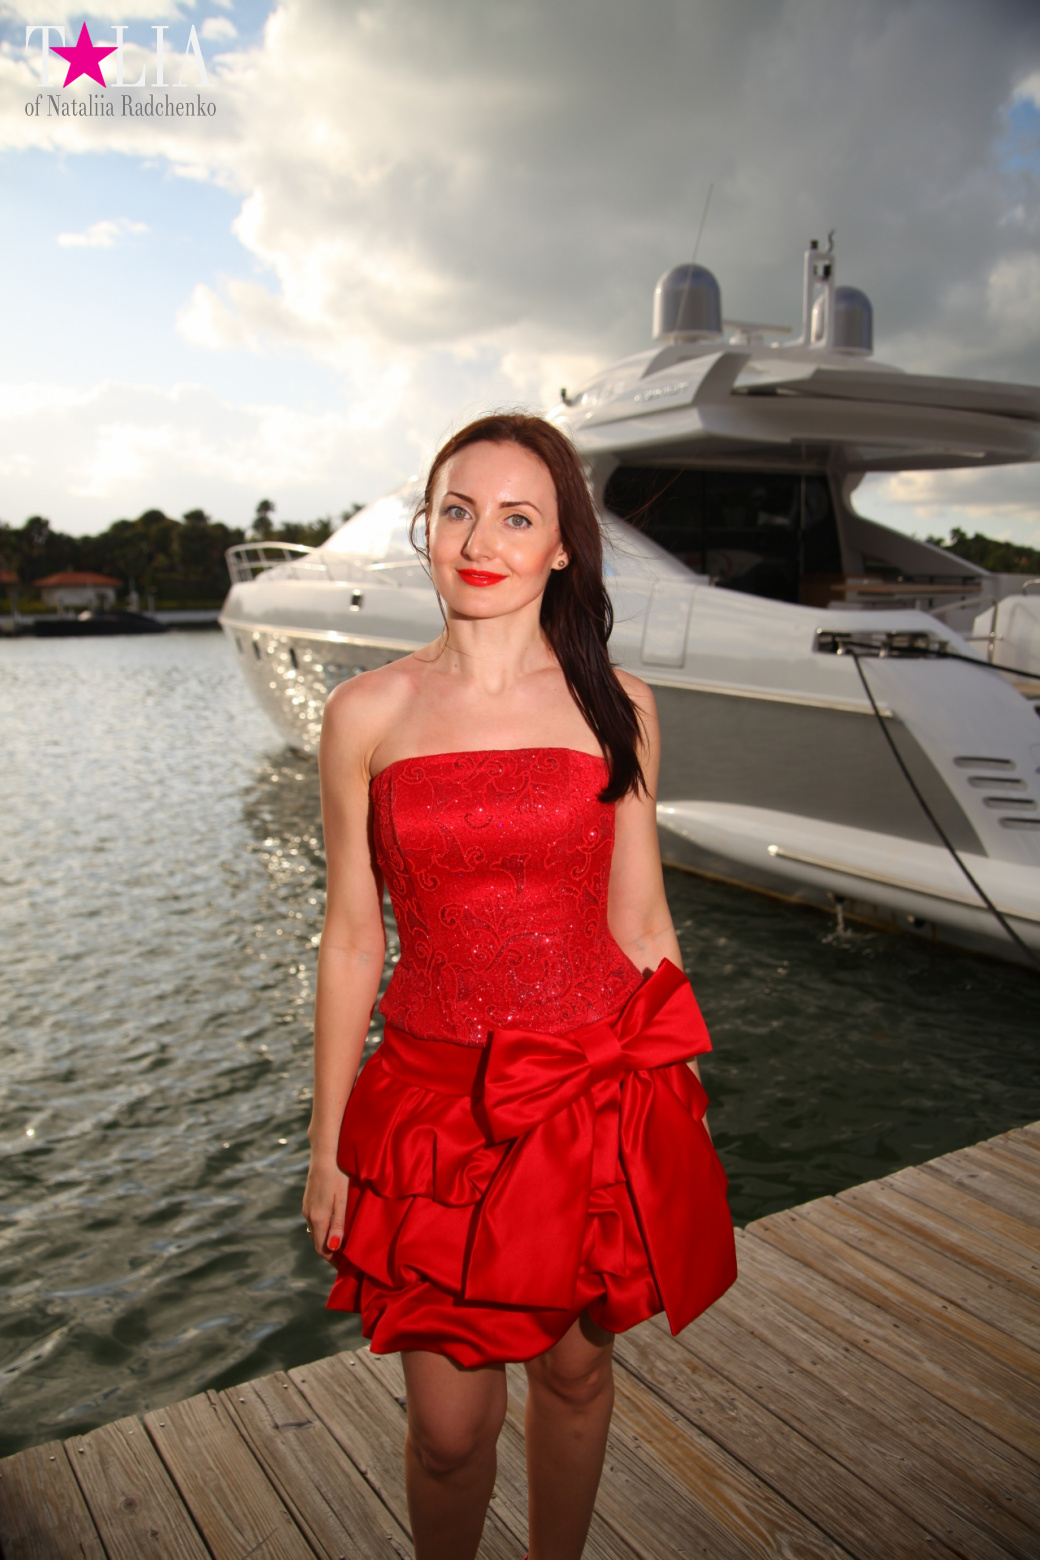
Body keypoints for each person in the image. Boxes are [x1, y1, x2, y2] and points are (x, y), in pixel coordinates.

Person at [302, 413, 736, 1560]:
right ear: (424, 532)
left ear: (560, 549)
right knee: (449, 1429)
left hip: (596, 1090)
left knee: (578, 1374)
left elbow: (640, 918)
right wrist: (326, 1138)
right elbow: (352, 938)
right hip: (440, 1107)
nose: (477, 538)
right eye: (454, 509)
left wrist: (681, 1098)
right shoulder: (365, 714)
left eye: (515, 515)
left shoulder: (618, 705)